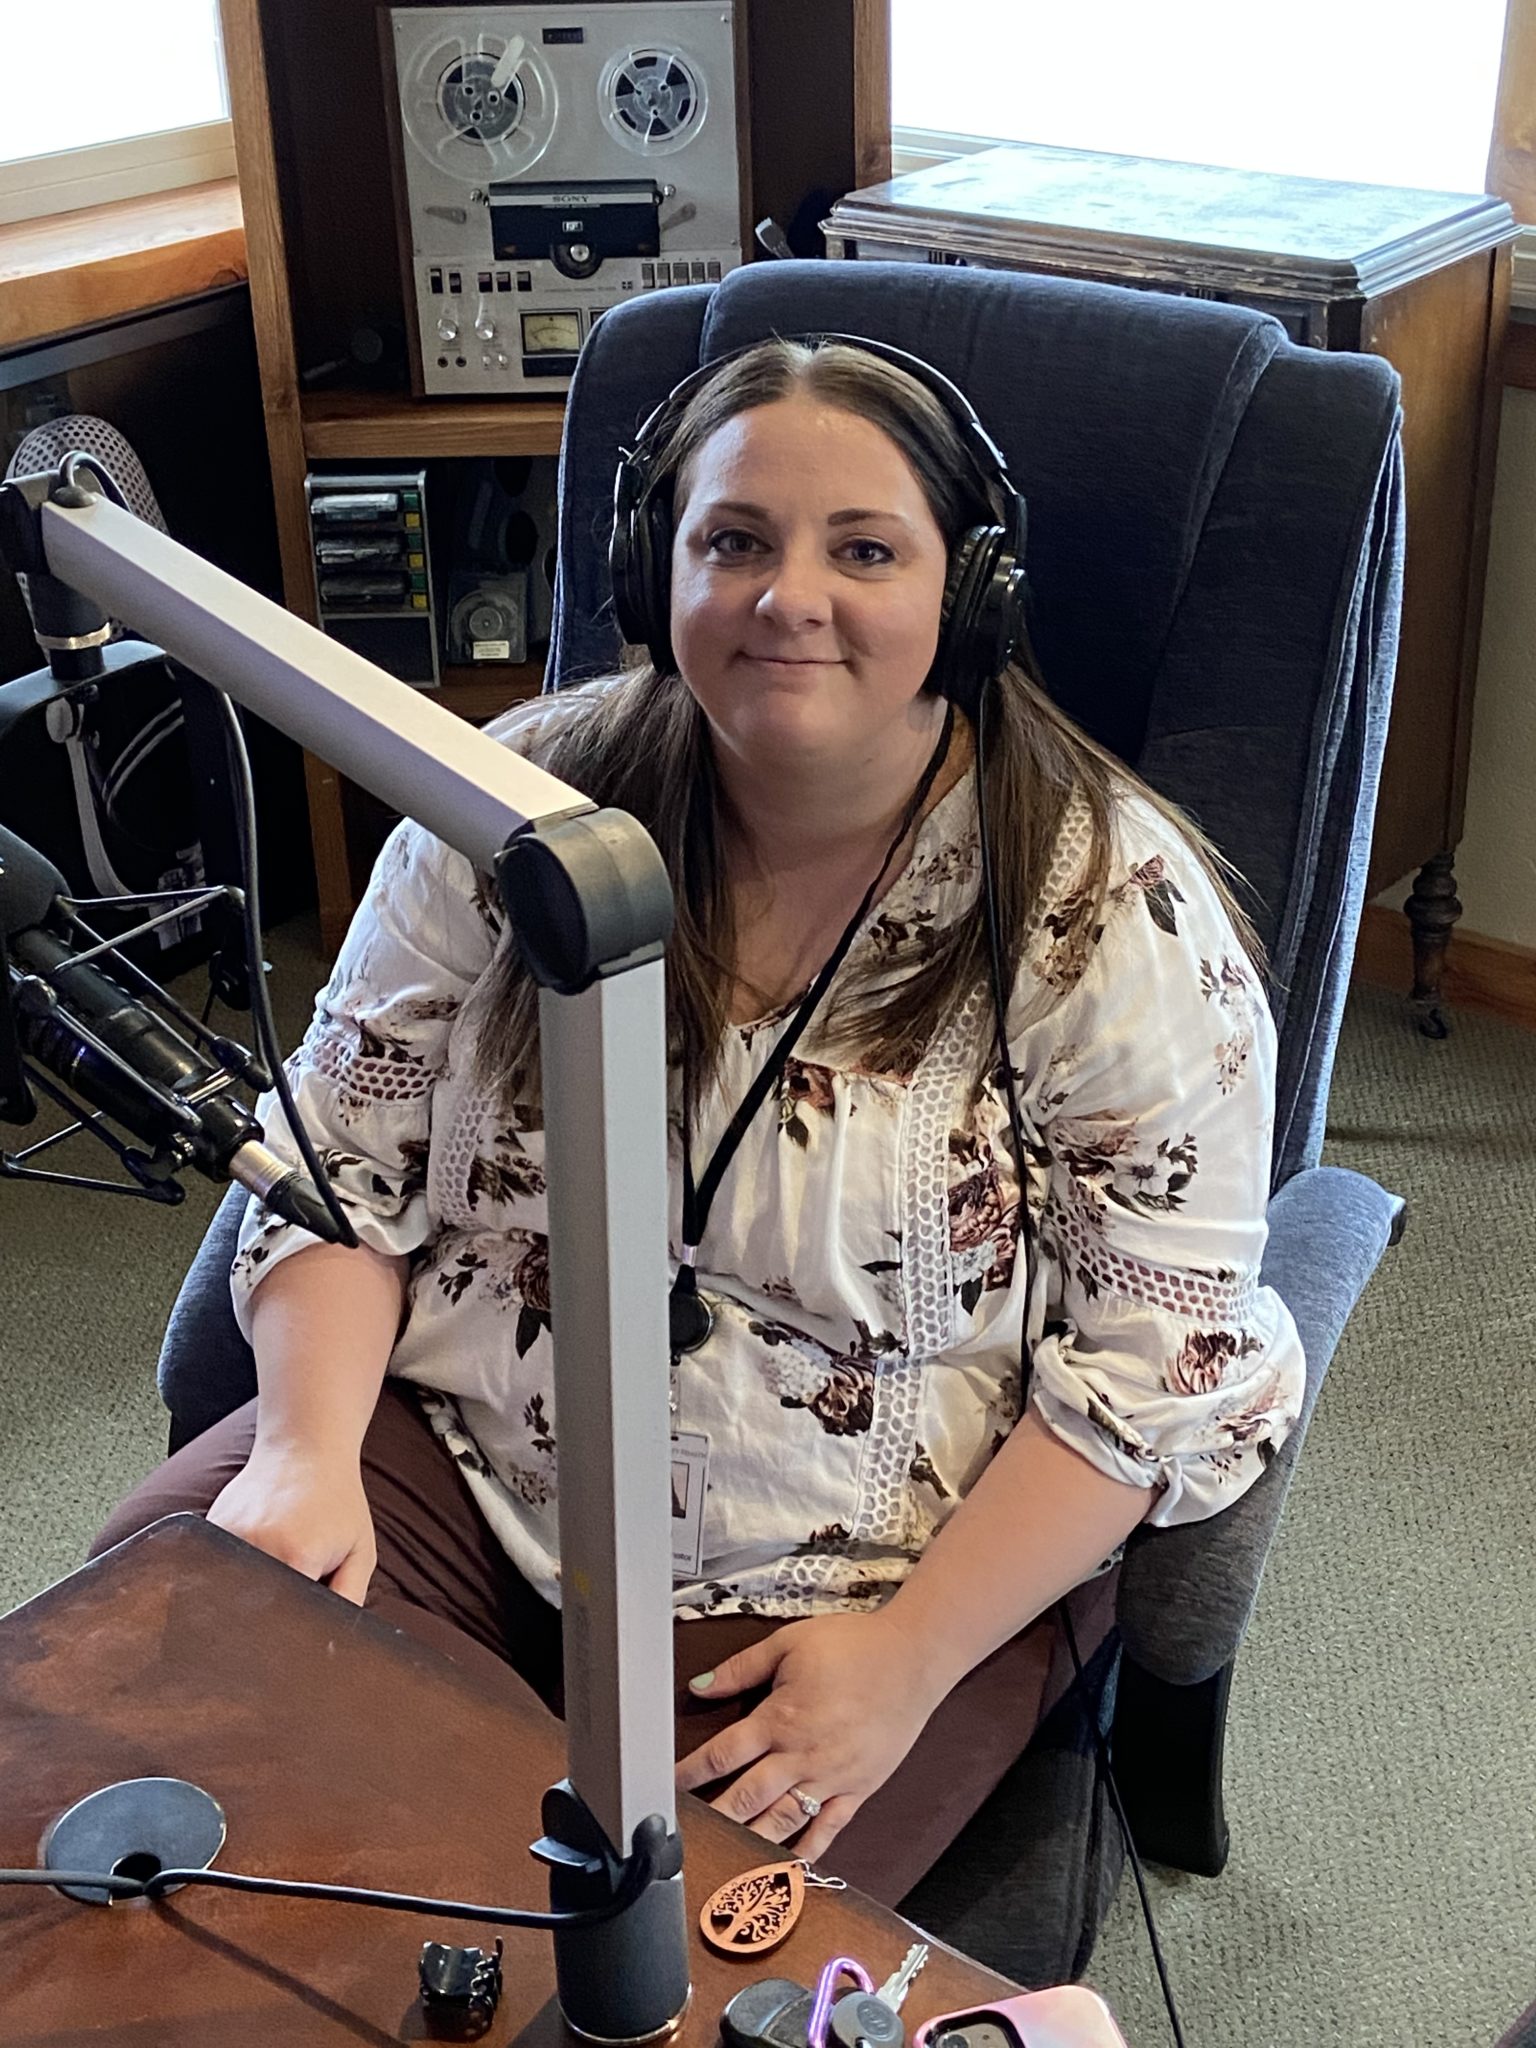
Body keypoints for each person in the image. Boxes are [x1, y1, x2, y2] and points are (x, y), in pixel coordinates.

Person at [95, 336, 1304, 1905]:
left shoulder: (1109, 908)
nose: (787, 598)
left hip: (855, 1575)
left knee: (615, 1954)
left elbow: (1158, 1367)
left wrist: (907, 1660)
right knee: (135, 1739)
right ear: (648, 571)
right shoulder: (510, 802)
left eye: (863, 551)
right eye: (733, 541)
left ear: (971, 593)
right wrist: (304, 1454)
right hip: (460, 1453)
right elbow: (340, 1161)